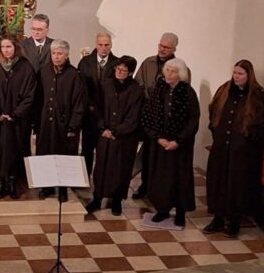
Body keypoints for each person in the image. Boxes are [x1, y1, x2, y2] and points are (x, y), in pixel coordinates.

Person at [204, 60, 264, 237]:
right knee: (218, 182)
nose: (236, 77)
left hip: (243, 151)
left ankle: (233, 222)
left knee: (236, 185)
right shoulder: (225, 90)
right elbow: (213, 111)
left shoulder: (259, 96)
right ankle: (217, 218)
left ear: (249, 76)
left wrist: (248, 140)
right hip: (221, 146)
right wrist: (216, 131)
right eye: (235, 73)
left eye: (240, 74)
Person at [140, 58, 199, 227]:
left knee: (179, 178)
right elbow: (148, 114)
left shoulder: (188, 92)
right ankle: (162, 209)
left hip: (180, 145)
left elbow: (193, 119)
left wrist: (178, 141)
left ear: (180, 74)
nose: (168, 74)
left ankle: (180, 212)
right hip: (160, 142)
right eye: (167, 70)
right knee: (160, 178)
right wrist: (158, 137)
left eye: (173, 71)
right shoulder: (159, 89)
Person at [132, 32, 190, 200]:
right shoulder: (148, 63)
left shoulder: (181, 67)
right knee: (147, 154)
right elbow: (137, 85)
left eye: (166, 47)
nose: (162, 49)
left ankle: (159, 189)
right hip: (149, 117)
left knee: (163, 159)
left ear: (174, 48)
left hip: (168, 122)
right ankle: (144, 185)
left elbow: (182, 95)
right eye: (160, 46)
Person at [87, 56, 144, 215]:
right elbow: (96, 107)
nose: (119, 72)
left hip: (124, 138)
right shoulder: (105, 85)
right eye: (117, 69)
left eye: (123, 71)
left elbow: (134, 116)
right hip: (104, 134)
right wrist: (103, 128)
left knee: (121, 169)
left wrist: (117, 130)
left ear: (130, 72)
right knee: (101, 167)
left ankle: (117, 200)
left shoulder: (136, 91)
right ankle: (97, 198)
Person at [0, 36, 37, 199]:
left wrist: (15, 113)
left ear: (15, 48)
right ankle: (0, 182)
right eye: (3, 47)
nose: (6, 50)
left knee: (15, 149)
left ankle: (12, 181)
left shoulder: (25, 67)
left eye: (9, 47)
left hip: (16, 120)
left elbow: (30, 94)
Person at [35, 39, 85, 200]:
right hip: (45, 122)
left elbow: (79, 103)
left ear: (66, 55)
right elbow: (37, 98)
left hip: (64, 124)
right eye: (54, 53)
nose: (56, 57)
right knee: (44, 152)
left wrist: (73, 126)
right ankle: (46, 186)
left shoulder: (74, 75)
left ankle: (63, 189)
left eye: (60, 54)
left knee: (64, 155)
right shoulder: (43, 71)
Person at [77, 32, 119, 176]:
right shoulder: (85, 62)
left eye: (106, 45)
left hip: (107, 115)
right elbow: (81, 89)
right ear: (96, 44)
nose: (103, 48)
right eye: (100, 45)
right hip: (89, 114)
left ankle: (101, 179)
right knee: (87, 149)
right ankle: (84, 177)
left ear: (111, 45)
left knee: (104, 151)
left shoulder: (117, 64)